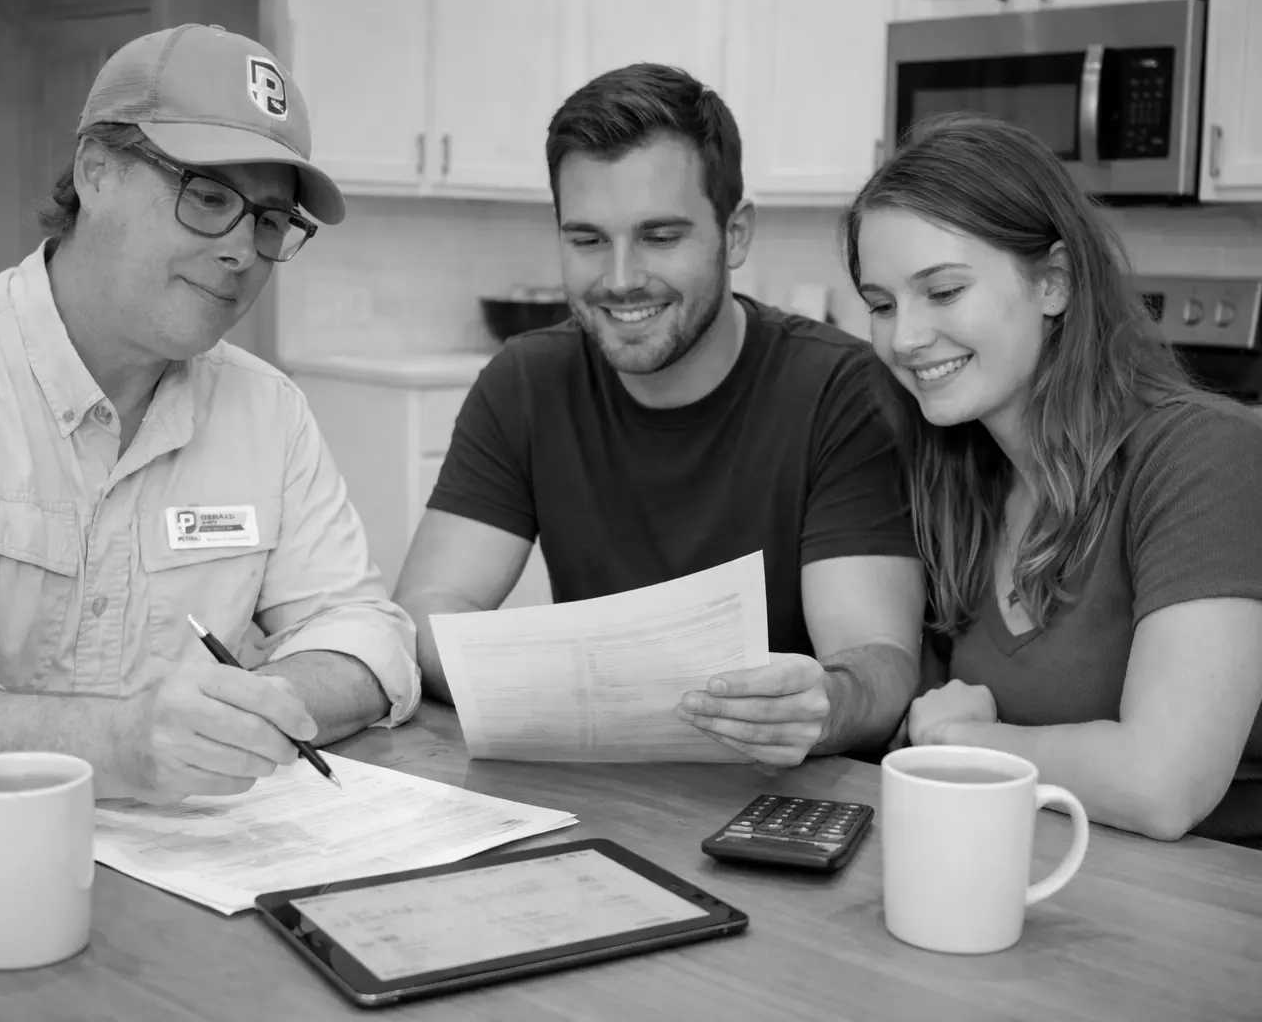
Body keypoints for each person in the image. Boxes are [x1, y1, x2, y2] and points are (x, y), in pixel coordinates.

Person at [0, 24, 419, 821]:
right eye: (209, 196)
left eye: (268, 219)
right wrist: (123, 744)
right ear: (95, 172)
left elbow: (362, 632)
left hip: (186, 886)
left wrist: (249, 709)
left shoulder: (269, 410)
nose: (242, 252)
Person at [393, 64, 925, 766]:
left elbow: (878, 660)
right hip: (593, 785)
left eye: (660, 236)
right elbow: (426, 606)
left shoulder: (840, 390)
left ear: (735, 236)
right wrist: (549, 679)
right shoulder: (526, 382)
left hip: (780, 798)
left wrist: (823, 706)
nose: (619, 279)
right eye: (586, 240)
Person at [846, 112, 1262, 862]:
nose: (904, 338)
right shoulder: (956, 476)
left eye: (942, 291)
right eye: (881, 304)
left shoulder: (1209, 457)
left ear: (1054, 282)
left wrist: (969, 741)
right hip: (1070, 877)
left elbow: (1164, 785)